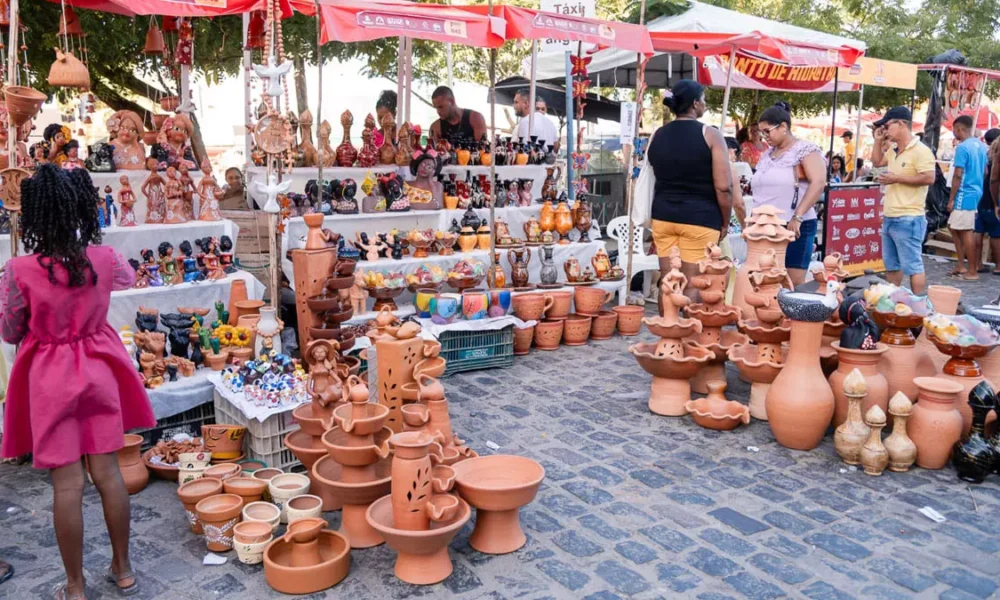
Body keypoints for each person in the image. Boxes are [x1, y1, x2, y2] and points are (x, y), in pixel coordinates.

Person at [0, 165, 154, 600]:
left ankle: (75, 585)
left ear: (33, 216)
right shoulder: (103, 259)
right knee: (108, 475)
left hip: (51, 379)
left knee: (67, 485)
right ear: (83, 208)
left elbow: (10, 330)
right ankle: (123, 570)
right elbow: (125, 279)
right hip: (99, 371)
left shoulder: (19, 268)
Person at [645, 79, 732, 310]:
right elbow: (724, 187)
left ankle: (668, 338)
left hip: (663, 217)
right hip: (700, 218)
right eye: (703, 99)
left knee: (669, 280)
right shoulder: (711, 135)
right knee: (693, 283)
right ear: (695, 104)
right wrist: (725, 220)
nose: (705, 104)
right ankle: (690, 341)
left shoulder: (657, 135)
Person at [751, 101, 826, 286]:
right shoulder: (767, 154)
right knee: (764, 281)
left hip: (793, 225)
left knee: (791, 283)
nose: (764, 137)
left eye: (767, 131)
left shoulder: (804, 149)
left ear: (783, 126)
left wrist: (798, 216)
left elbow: (818, 182)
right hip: (764, 227)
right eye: (762, 133)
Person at [871, 106, 936, 294]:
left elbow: (929, 178)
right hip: (891, 215)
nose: (885, 130)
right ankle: (893, 300)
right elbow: (877, 162)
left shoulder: (921, 151)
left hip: (909, 216)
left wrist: (896, 178)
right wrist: (877, 141)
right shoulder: (894, 149)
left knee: (913, 265)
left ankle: (917, 304)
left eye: (888, 125)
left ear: (902, 124)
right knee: (891, 264)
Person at [947, 115, 989, 280]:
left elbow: (958, 175)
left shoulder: (963, 148)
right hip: (976, 191)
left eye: (954, 129)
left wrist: (951, 198)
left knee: (965, 231)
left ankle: (971, 270)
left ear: (959, 128)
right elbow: (985, 171)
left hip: (965, 193)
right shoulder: (980, 145)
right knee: (953, 226)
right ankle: (962, 265)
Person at [973, 128, 1000, 275]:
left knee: (979, 231)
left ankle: (977, 263)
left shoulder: (983, 155)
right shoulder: (996, 158)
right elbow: (994, 180)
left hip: (980, 196)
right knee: (996, 234)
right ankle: (998, 265)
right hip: (992, 198)